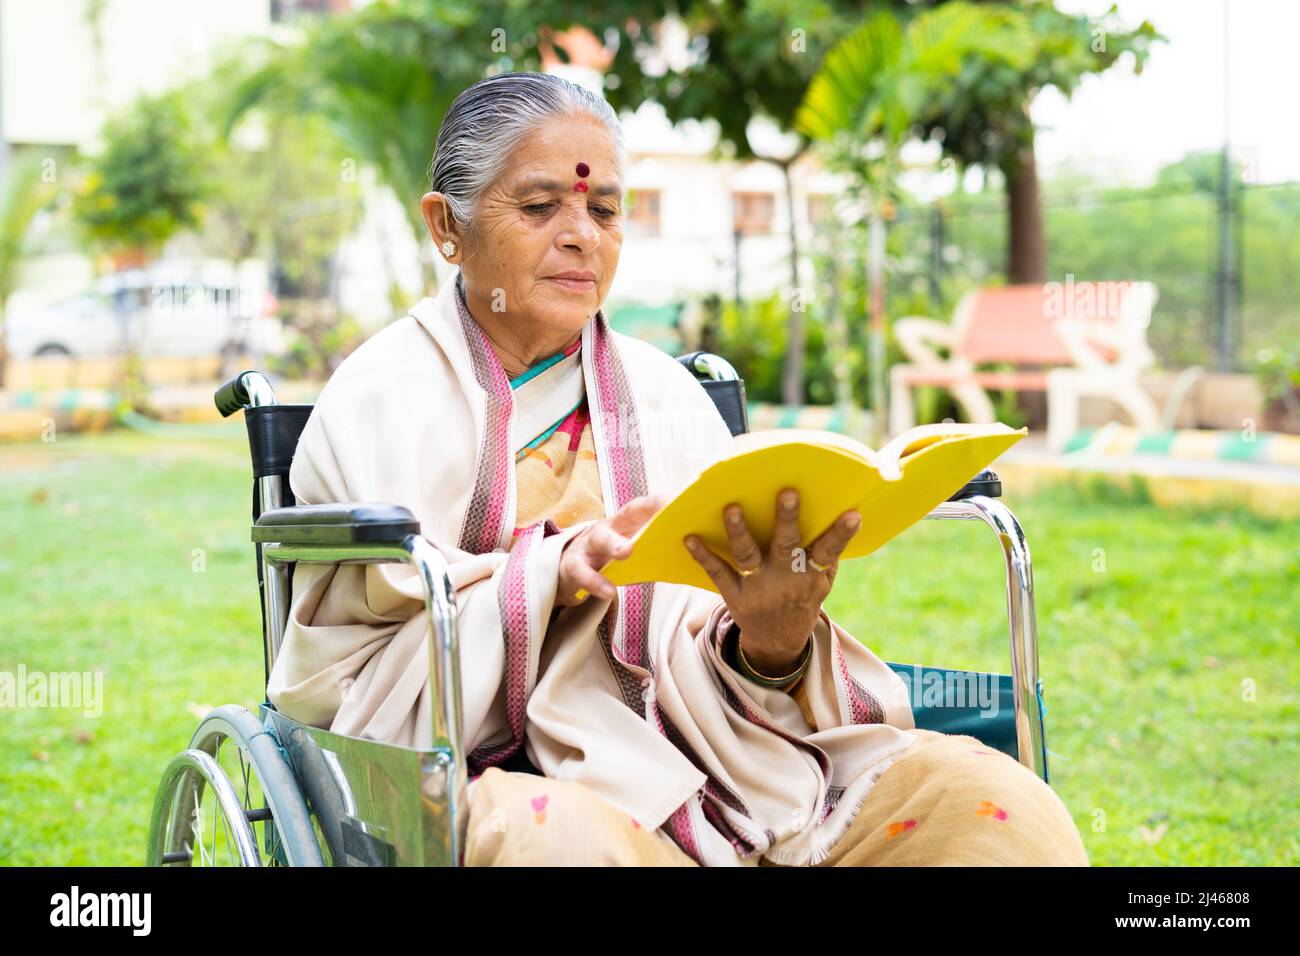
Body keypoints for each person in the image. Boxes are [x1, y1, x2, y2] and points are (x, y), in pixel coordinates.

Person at [267, 71, 1088, 867]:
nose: (581, 233)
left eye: (605, 208)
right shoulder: (381, 399)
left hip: (715, 756)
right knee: (557, 840)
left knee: (988, 803)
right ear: (447, 226)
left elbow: (715, 651)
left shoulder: (664, 395)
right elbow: (370, 668)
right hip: (486, 764)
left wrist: (774, 639)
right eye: (541, 205)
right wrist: (551, 573)